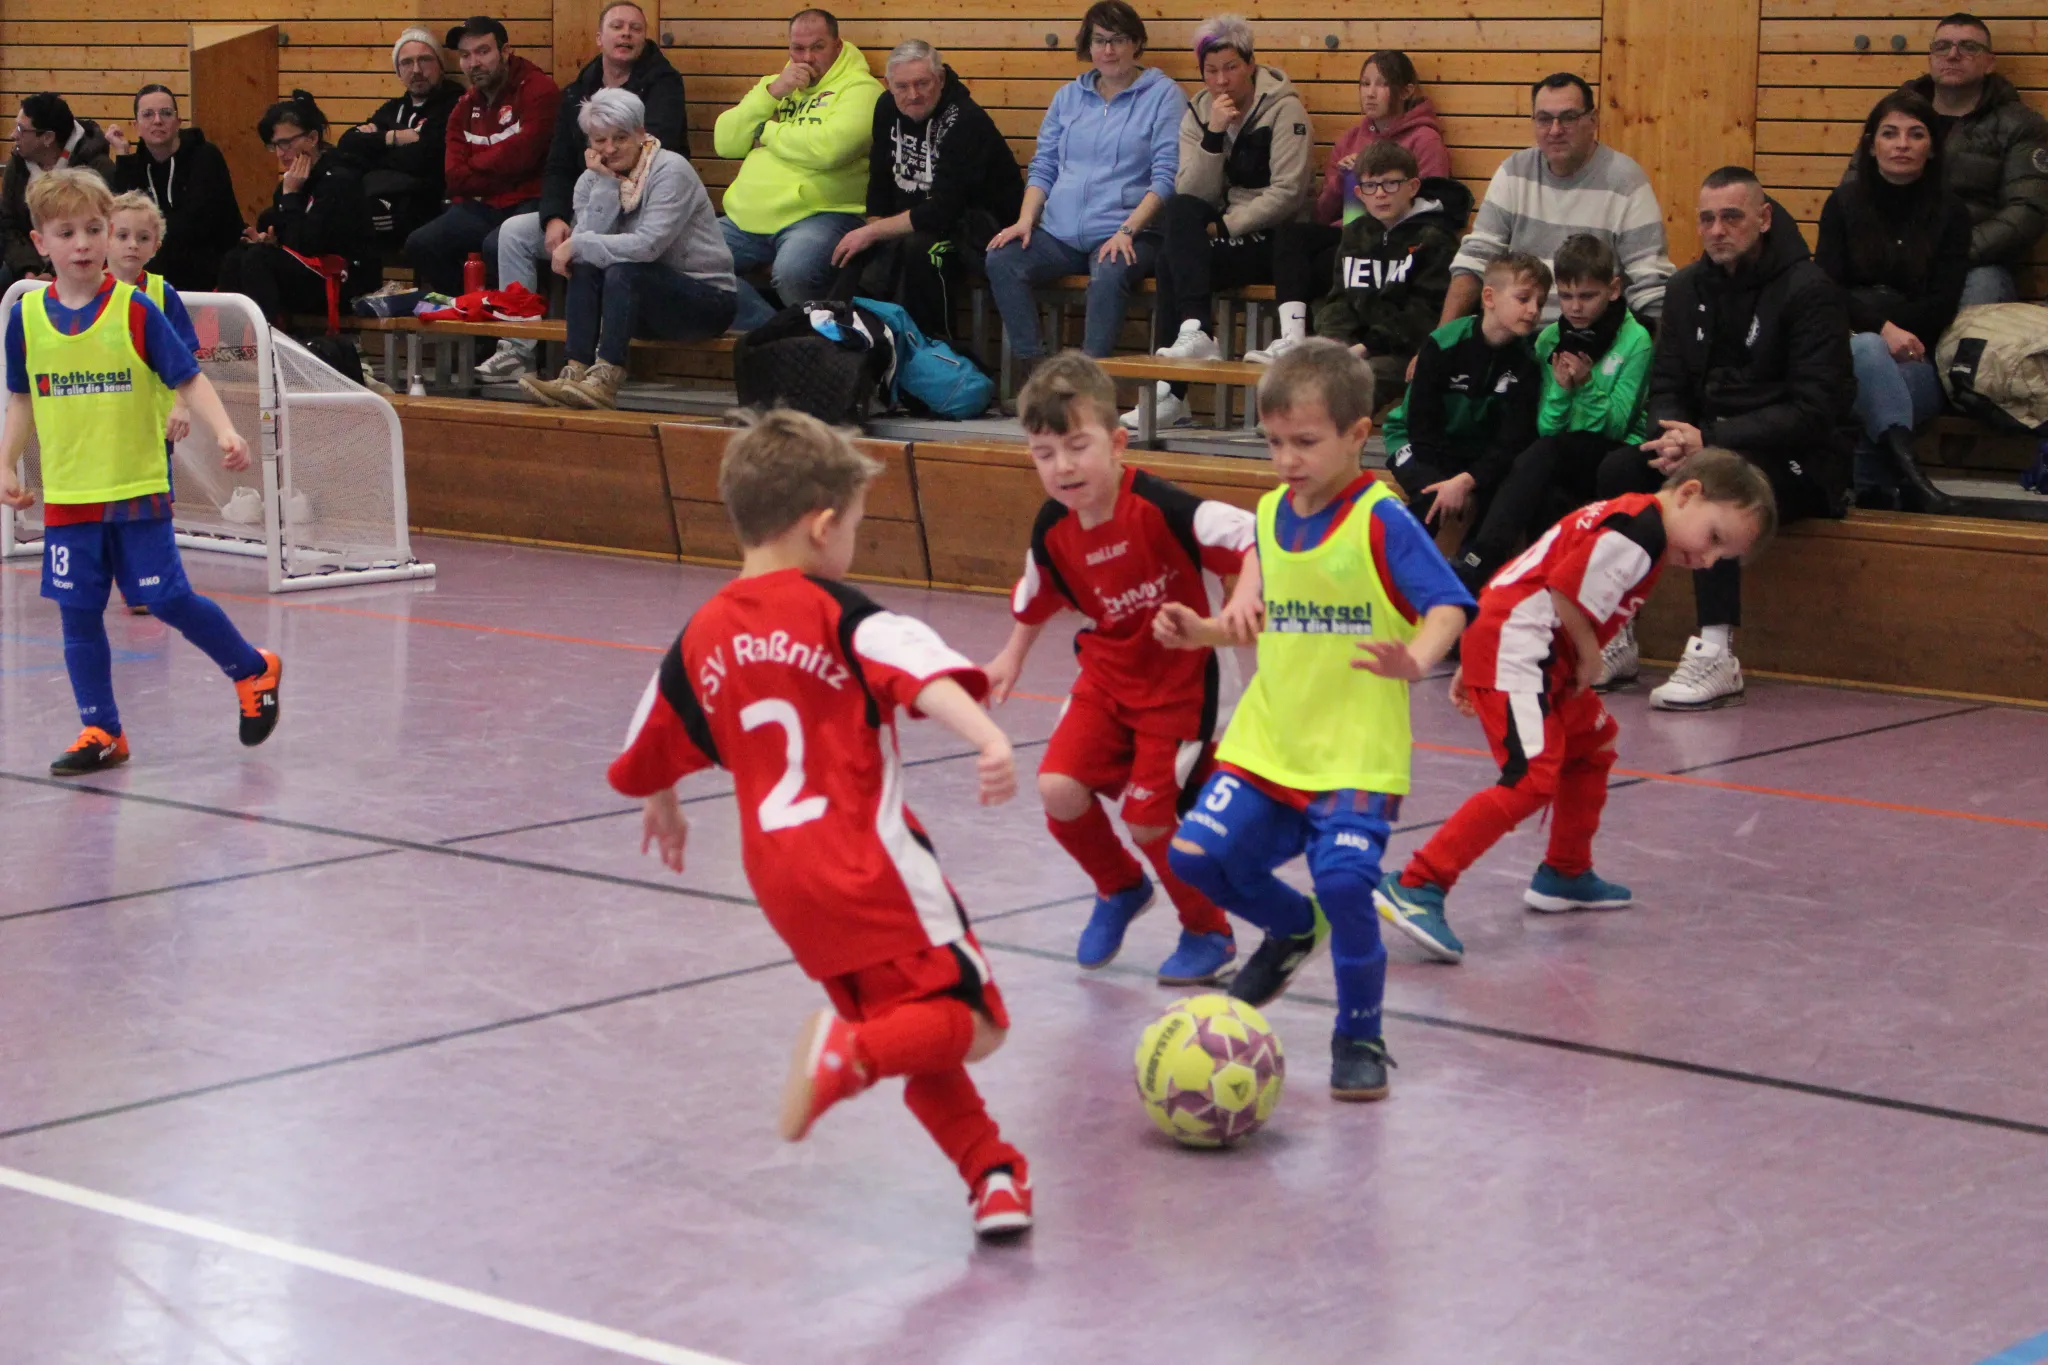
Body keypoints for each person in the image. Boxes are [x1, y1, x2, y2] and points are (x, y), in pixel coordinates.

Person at [606, 407, 1034, 1240]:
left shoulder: (700, 635)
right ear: (822, 525)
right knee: (976, 1024)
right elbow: (920, 673)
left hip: (783, 882)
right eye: (856, 529)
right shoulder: (843, 613)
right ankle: (848, 1054)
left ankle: (993, 1173)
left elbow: (647, 738)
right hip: (868, 865)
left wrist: (664, 799)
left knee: (918, 1029)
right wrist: (988, 736)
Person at [1155, 340, 1475, 1101]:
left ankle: (1359, 1033)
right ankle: (1291, 928)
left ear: (1357, 434)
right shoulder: (1269, 514)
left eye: (1304, 442)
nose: (1286, 460)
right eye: (1273, 443)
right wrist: (1202, 632)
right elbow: (1260, 618)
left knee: (1345, 884)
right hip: (1269, 741)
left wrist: (1416, 659)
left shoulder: (1381, 519)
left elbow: (1448, 606)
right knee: (1194, 856)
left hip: (1355, 751)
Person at [1375, 450, 1776, 964]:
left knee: (1592, 744)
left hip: (1523, 643)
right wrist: (1588, 654)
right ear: (1689, 493)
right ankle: (1418, 882)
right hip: (1523, 647)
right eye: (1714, 538)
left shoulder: (1634, 518)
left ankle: (1565, 870)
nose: (1708, 559)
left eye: (1723, 556)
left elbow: (1534, 570)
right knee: (1530, 777)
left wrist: (1481, 649)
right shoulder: (1640, 531)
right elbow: (1564, 590)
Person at [0, 170, 283, 777]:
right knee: (78, 616)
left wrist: (224, 429)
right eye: (66, 233)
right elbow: (21, 397)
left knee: (165, 598)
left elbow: (188, 377)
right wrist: (4, 461)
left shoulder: (136, 309)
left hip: (137, 488)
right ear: (40, 241)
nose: (82, 244)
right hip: (69, 495)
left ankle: (252, 668)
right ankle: (102, 730)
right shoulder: (25, 318)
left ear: (108, 234)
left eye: (92, 230)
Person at [983, 351, 1254, 986]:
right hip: (1109, 676)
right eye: (1045, 454)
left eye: (1077, 447)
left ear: (1118, 442)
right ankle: (1120, 886)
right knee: (1058, 789)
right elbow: (1036, 595)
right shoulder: (1053, 527)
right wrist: (1010, 656)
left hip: (1184, 685)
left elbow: (1255, 534)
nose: (1063, 466)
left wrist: (1242, 597)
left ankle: (1209, 931)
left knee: (1146, 818)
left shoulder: (1161, 507)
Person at [1593, 167, 1854, 710]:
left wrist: (1709, 441)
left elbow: (1815, 410)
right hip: (1705, 446)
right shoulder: (1685, 288)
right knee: (1619, 470)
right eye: (1707, 219)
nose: (1717, 230)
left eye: (1731, 217)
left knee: (1717, 487)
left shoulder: (1810, 290)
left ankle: (1716, 652)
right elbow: (1667, 385)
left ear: (1764, 218)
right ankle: (1615, 633)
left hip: (1799, 462)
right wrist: (1671, 438)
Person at [1122, 14, 1311, 431]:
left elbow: (1289, 193)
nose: (1221, 80)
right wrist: (1213, 135)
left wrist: (1226, 228)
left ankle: (1172, 392)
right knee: (1178, 222)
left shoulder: (1285, 110)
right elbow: (1192, 192)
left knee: (1173, 259)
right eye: (1211, 71)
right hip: (1222, 237)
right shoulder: (1199, 111)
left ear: (1250, 64)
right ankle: (1196, 334)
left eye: (1231, 68)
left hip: (1271, 242)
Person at [485, 1, 685, 381]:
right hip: (588, 204)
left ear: (644, 39)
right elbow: (558, 163)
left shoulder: (664, 85)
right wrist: (554, 217)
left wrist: (596, 197)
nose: (626, 34)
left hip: (636, 208)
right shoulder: (577, 91)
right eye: (617, 27)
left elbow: (653, 151)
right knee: (513, 233)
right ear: (599, 38)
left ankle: (594, 362)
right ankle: (516, 350)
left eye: (635, 28)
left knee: (593, 251)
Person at [983, 0, 1182, 368]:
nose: (1108, 50)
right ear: (1087, 46)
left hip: (1130, 231)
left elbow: (1167, 176)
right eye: (1099, 40)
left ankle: (1088, 380)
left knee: (1108, 272)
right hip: (1060, 233)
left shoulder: (1163, 95)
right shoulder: (1068, 97)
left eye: (1118, 40)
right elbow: (1044, 166)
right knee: (1002, 259)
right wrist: (1026, 220)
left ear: (1137, 43)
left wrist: (1127, 230)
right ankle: (1038, 372)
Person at [1456, 232, 1655, 590]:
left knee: (1544, 454)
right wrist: (1562, 390)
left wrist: (1586, 384)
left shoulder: (1636, 340)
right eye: (1565, 296)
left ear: (1613, 289)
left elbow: (1616, 427)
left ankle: (1480, 559)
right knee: (1547, 495)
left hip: (1612, 455)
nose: (1575, 307)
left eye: (1587, 296)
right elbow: (1547, 426)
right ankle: (1533, 593)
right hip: (1560, 455)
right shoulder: (1549, 340)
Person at [517, 89, 735, 410]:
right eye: (600, 140)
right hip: (635, 303)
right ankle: (575, 370)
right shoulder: (590, 180)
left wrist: (578, 242)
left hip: (705, 300)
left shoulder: (670, 170)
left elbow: (648, 246)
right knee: (587, 266)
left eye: (620, 138)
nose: (610, 149)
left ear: (640, 133)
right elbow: (586, 250)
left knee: (623, 270)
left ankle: (606, 379)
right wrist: (607, 183)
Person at [1821, 94, 1972, 514]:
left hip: (1917, 358)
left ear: (1933, 147)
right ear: (1872, 146)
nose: (1902, 144)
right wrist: (1882, 330)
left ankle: (1873, 494)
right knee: (1867, 349)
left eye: (1915, 134)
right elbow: (1827, 290)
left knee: (1880, 384)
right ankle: (1908, 479)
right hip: (1847, 352)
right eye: (1890, 134)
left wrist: (1889, 330)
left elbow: (1942, 304)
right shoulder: (1842, 204)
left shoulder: (1952, 213)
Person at [1257, 50, 1450, 366]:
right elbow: (1323, 214)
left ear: (1406, 90)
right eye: (1364, 84)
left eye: (1381, 84)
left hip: (1394, 241)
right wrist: (1342, 180)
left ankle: (1331, 345)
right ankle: (1292, 336)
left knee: (1322, 273)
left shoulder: (1424, 139)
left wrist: (1381, 182)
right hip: (1350, 234)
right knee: (1291, 237)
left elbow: (1432, 202)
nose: (1370, 93)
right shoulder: (1350, 138)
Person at [1442, 73, 1673, 329]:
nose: (1555, 130)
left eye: (1568, 117)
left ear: (1593, 120)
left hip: (1593, 338)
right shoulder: (1513, 172)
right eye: (1544, 119)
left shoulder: (1626, 181)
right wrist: (1440, 340)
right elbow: (1475, 259)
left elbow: (1650, 286)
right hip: (1517, 334)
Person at [827, 41, 1022, 341]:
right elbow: (879, 181)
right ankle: (850, 345)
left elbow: (944, 209)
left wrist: (874, 233)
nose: (913, 95)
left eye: (922, 83)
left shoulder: (966, 120)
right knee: (855, 254)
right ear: (888, 85)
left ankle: (933, 349)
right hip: (917, 223)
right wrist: (873, 232)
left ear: (940, 79)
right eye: (902, 86)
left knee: (921, 252)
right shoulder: (886, 107)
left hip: (980, 228)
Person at [712, 9, 883, 330]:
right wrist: (772, 94)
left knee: (794, 273)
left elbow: (829, 150)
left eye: (817, 47)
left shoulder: (862, 90)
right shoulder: (775, 87)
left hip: (822, 214)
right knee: (686, 262)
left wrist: (765, 131)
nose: (807, 58)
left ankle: (811, 341)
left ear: (837, 45)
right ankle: (773, 331)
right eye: (798, 49)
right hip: (747, 217)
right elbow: (725, 143)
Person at [1379, 252, 1548, 540]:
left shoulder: (1529, 361)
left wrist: (1468, 480)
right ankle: (1397, 565)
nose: (1533, 310)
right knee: (1434, 495)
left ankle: (1471, 565)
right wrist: (1452, 482)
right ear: (1489, 297)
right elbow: (1422, 429)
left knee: (1501, 498)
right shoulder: (1443, 344)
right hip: (1414, 442)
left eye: (1540, 303)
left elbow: (1512, 441)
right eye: (1523, 299)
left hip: (1474, 454)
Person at [1293, 142, 1469, 400]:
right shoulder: (1355, 234)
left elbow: (1424, 315)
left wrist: (1367, 346)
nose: (1380, 194)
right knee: (1306, 371)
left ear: (1413, 187)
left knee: (1358, 380)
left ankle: (1316, 419)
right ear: (1359, 193)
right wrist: (1336, 343)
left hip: (1406, 350)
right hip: (1358, 346)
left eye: (1391, 184)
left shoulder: (1435, 239)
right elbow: (1339, 299)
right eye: (1370, 186)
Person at [1899, 12, 2048, 307]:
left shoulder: (2021, 125)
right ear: (1930, 58)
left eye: (1968, 47)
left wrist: (1952, 252)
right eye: (1942, 46)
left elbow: (2027, 212)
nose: (1953, 55)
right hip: (1895, 255)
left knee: (1983, 289)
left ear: (1989, 62)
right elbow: (1854, 190)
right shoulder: (1897, 115)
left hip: (1977, 263)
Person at [406, 17, 561, 300]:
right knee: (421, 244)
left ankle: (512, 318)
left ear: (505, 51)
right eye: (465, 55)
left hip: (531, 202)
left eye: (483, 51)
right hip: (485, 206)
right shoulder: (464, 106)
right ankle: (469, 310)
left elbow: (525, 157)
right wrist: (499, 170)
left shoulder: (539, 90)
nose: (473, 63)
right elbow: (454, 177)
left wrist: (475, 167)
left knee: (496, 245)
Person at [215, 92, 380, 328]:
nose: (280, 153)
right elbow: (291, 242)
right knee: (236, 258)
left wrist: (291, 196)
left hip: (343, 279)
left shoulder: (340, 180)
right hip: (310, 271)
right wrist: (270, 241)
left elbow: (309, 244)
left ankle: (270, 340)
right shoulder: (289, 184)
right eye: (275, 145)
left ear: (312, 138)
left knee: (257, 260)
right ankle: (230, 340)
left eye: (286, 143)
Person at [106, 86, 243, 293]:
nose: (157, 120)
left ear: (178, 122)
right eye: (148, 114)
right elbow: (122, 219)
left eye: (166, 113)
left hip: (206, 272)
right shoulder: (135, 165)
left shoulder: (205, 157)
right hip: (155, 270)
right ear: (136, 125)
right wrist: (123, 154)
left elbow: (195, 226)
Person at [336, 28, 465, 246]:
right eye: (406, 63)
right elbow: (347, 144)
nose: (416, 70)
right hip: (386, 200)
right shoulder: (393, 109)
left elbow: (427, 158)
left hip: (427, 206)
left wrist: (374, 149)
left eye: (424, 60)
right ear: (398, 72)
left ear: (440, 66)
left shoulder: (455, 104)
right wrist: (394, 138)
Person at [2, 94, 116, 292]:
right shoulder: (17, 164)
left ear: (48, 137)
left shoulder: (98, 169)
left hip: (81, 263)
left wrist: (54, 274)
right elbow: (7, 223)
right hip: (26, 263)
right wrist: (28, 270)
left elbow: (103, 230)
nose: (13, 135)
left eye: (21, 129)